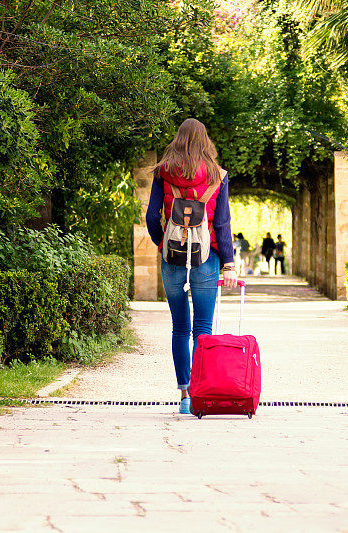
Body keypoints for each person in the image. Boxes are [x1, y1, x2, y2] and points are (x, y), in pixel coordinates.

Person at [145, 118, 239, 415]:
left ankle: (185, 394)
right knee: (203, 328)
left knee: (180, 328)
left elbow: (150, 216)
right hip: (206, 257)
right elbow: (222, 223)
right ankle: (200, 391)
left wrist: (162, 244)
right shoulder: (217, 175)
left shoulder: (163, 172)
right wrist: (229, 263)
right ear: (204, 141)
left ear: (178, 139)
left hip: (172, 256)